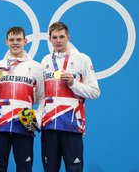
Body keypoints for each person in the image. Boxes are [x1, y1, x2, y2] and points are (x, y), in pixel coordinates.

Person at [39, 22, 100, 172]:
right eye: (55, 37)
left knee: (74, 169)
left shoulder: (82, 59)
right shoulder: (45, 61)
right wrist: (38, 118)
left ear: (68, 37)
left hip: (71, 125)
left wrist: (73, 84)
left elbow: (95, 92)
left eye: (61, 37)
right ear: (50, 39)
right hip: (49, 126)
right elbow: (43, 97)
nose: (58, 40)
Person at [0, 26, 44, 172]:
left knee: (24, 168)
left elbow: (42, 97)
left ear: (25, 41)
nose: (15, 43)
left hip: (24, 126)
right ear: (6, 42)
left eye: (18, 40)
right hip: (0, 125)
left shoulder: (36, 67)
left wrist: (36, 117)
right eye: (12, 40)